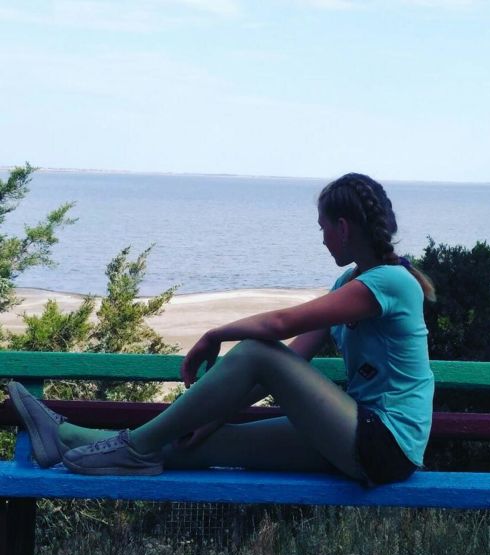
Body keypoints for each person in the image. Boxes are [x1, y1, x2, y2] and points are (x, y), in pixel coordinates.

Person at [8, 173, 435, 486]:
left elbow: (278, 327)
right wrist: (213, 418)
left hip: (385, 444)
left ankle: (133, 449)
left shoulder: (392, 283)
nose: (322, 238)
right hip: (353, 438)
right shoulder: (348, 284)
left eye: (323, 227)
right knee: (200, 444)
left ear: (342, 227)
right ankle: (64, 437)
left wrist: (217, 334)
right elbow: (291, 360)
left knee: (255, 349)